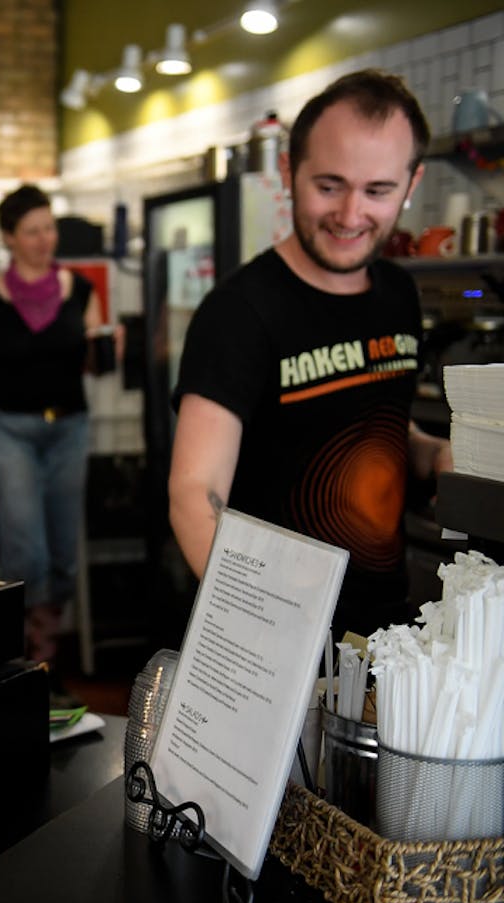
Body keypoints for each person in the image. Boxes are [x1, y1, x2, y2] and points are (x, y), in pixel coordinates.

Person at [169, 69, 452, 639]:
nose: (350, 216)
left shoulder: (399, 293)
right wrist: (270, 642)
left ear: (411, 182)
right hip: (275, 636)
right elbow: (195, 492)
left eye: (378, 191)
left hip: (385, 632)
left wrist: (438, 456)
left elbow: (376, 425)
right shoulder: (240, 312)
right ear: (288, 172)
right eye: (329, 186)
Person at [0, 184, 115, 672]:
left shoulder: (82, 292)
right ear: (9, 238)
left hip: (68, 428)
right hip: (6, 429)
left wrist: (110, 349)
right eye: (33, 230)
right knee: (26, 545)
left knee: (62, 550)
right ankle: (26, 660)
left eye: (49, 227)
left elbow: (95, 368)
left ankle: (43, 650)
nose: (45, 239)